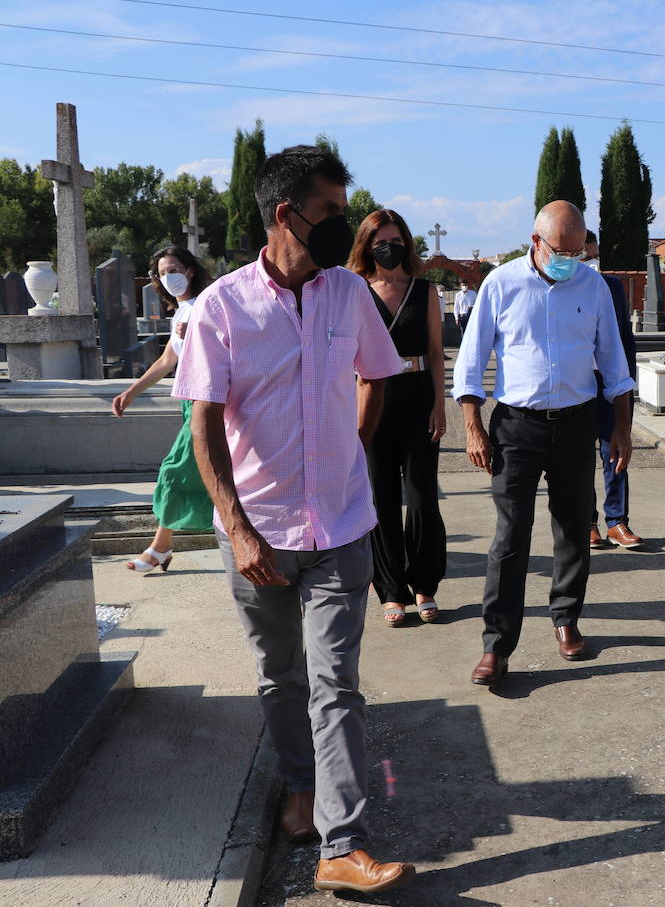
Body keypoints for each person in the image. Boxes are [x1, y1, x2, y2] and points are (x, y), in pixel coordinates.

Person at [172, 145, 414, 895]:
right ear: (286, 215)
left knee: (336, 684)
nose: (348, 229)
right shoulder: (221, 308)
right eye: (333, 214)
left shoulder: (348, 295)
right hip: (261, 536)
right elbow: (203, 425)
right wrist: (238, 528)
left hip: (341, 526)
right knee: (281, 678)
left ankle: (343, 842)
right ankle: (299, 783)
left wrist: (354, 448)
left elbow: (377, 375)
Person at [454, 201, 634, 688]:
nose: (572, 261)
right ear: (535, 241)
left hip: (576, 423)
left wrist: (621, 428)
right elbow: (469, 364)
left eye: (580, 252)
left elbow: (615, 365)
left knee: (574, 528)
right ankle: (497, 646)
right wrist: (473, 426)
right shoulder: (501, 284)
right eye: (562, 251)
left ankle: (566, 617)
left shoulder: (592, 287)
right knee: (511, 538)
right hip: (517, 426)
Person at [346, 209, 448, 626]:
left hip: (417, 394)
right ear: (367, 246)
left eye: (397, 239)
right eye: (380, 241)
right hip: (371, 397)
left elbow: (438, 353)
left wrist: (441, 404)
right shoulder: (354, 290)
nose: (390, 247)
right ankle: (390, 589)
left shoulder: (424, 291)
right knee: (380, 498)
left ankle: (424, 582)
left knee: (422, 498)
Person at [112, 246, 214, 572]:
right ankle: (163, 548)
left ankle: (159, 548)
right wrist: (132, 391)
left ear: (190, 271)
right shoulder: (181, 311)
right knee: (201, 472)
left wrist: (197, 333)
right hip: (188, 401)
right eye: (161, 272)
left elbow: (226, 347)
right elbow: (166, 360)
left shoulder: (206, 304)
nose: (168, 277)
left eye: (173, 269)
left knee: (175, 469)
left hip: (207, 401)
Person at [583, 230, 642, 551]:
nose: (588, 263)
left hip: (610, 383)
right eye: (582, 257)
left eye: (593, 257)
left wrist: (627, 384)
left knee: (615, 450)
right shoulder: (560, 287)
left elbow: (624, 338)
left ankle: (617, 521)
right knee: (579, 456)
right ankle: (586, 522)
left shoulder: (612, 286)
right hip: (577, 383)